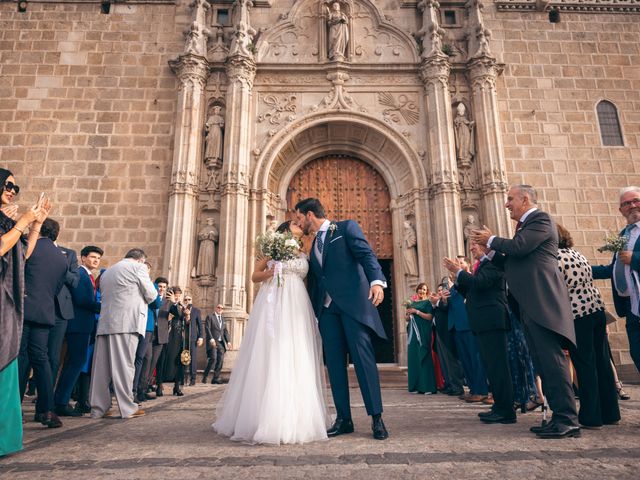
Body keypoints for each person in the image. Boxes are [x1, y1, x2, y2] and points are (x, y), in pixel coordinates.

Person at [471, 184, 580, 438]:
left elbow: (519, 248)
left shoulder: (541, 219)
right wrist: (489, 253)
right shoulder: (524, 227)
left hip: (543, 302)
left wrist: (490, 239)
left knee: (553, 362)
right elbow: (511, 260)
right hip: (530, 305)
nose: (507, 204)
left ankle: (568, 420)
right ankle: (558, 417)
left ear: (525, 199)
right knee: (542, 362)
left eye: (510, 199)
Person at [213, 221, 329, 444]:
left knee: (295, 354)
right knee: (272, 351)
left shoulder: (304, 251)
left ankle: (298, 417)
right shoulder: (273, 247)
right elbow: (254, 276)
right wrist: (271, 272)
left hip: (296, 305)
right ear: (286, 230)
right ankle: (265, 417)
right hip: (275, 302)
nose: (300, 224)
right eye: (295, 223)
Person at [294, 197, 389, 440]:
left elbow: (367, 255)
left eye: (299, 217)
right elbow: (317, 281)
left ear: (310, 215)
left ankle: (376, 418)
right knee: (334, 366)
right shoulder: (313, 245)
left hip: (353, 307)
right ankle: (344, 419)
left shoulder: (346, 228)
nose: (298, 222)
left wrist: (377, 282)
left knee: (363, 362)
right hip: (327, 313)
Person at [0, 168, 50, 455]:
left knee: (7, 366)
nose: (11, 191)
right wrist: (22, 221)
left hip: (6, 304)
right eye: (7, 185)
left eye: (15, 188)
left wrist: (35, 225)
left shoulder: (6, 222)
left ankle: (5, 439)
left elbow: (22, 253)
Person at [557, 224, 620, 428]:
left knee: (585, 364)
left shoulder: (555, 259)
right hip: (596, 310)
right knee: (602, 362)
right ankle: (610, 413)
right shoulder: (577, 254)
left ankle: (591, 416)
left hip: (577, 315)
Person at [445, 243, 515, 424]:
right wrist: (458, 279)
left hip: (493, 321)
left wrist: (459, 272)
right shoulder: (483, 266)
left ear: (487, 246)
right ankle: (499, 407)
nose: (471, 248)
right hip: (484, 323)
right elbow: (473, 290)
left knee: (499, 368)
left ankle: (506, 411)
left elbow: (480, 283)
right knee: (492, 366)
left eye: (475, 245)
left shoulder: (494, 264)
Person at [89, 248, 157, 419]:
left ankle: (98, 408)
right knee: (125, 366)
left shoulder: (108, 271)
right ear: (141, 260)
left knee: (101, 369)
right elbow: (152, 295)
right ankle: (128, 407)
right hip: (127, 323)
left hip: (106, 323)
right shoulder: (138, 267)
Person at [18, 214, 68, 428]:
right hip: (45, 313)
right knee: (42, 360)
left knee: (18, 358)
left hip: (23, 308)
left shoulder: (29, 247)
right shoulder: (62, 258)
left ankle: (14, 409)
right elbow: (57, 288)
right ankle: (47, 410)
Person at [592, 186, 640, 375]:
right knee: (636, 352)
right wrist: (580, 268)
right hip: (631, 307)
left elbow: (630, 260)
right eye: (626, 203)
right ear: (621, 210)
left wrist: (635, 258)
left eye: (636, 200)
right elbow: (615, 269)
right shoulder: (624, 234)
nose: (632, 206)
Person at [53, 245, 103, 416]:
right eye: (92, 257)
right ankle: (61, 402)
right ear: (83, 258)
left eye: (98, 258)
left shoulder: (87, 276)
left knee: (73, 363)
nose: (96, 260)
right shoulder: (81, 274)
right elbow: (82, 300)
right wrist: (105, 308)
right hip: (78, 325)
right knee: (75, 364)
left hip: (83, 325)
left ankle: (60, 399)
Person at [405, 283, 437, 394]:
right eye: (420, 289)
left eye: (424, 289)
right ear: (417, 290)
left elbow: (429, 317)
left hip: (423, 333)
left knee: (424, 356)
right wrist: (409, 314)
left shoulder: (427, 302)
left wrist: (416, 312)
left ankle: (427, 387)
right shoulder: (412, 303)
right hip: (413, 333)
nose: (421, 291)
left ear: (426, 291)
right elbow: (407, 318)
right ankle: (415, 386)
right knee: (414, 357)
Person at [203, 303, 230, 384]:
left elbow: (225, 331)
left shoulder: (223, 319)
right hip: (213, 341)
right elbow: (207, 328)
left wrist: (228, 341)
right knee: (213, 358)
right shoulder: (210, 317)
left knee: (220, 360)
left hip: (221, 342)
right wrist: (211, 339)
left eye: (222, 308)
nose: (220, 309)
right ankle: (205, 375)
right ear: (215, 308)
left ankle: (215, 378)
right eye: (218, 307)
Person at [184, 294, 204, 386]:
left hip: (193, 338)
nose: (187, 301)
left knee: (193, 358)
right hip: (182, 338)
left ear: (192, 300)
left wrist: (201, 337)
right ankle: (181, 378)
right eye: (186, 299)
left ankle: (193, 379)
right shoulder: (181, 310)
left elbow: (200, 325)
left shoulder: (196, 311)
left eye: (189, 299)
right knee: (183, 357)